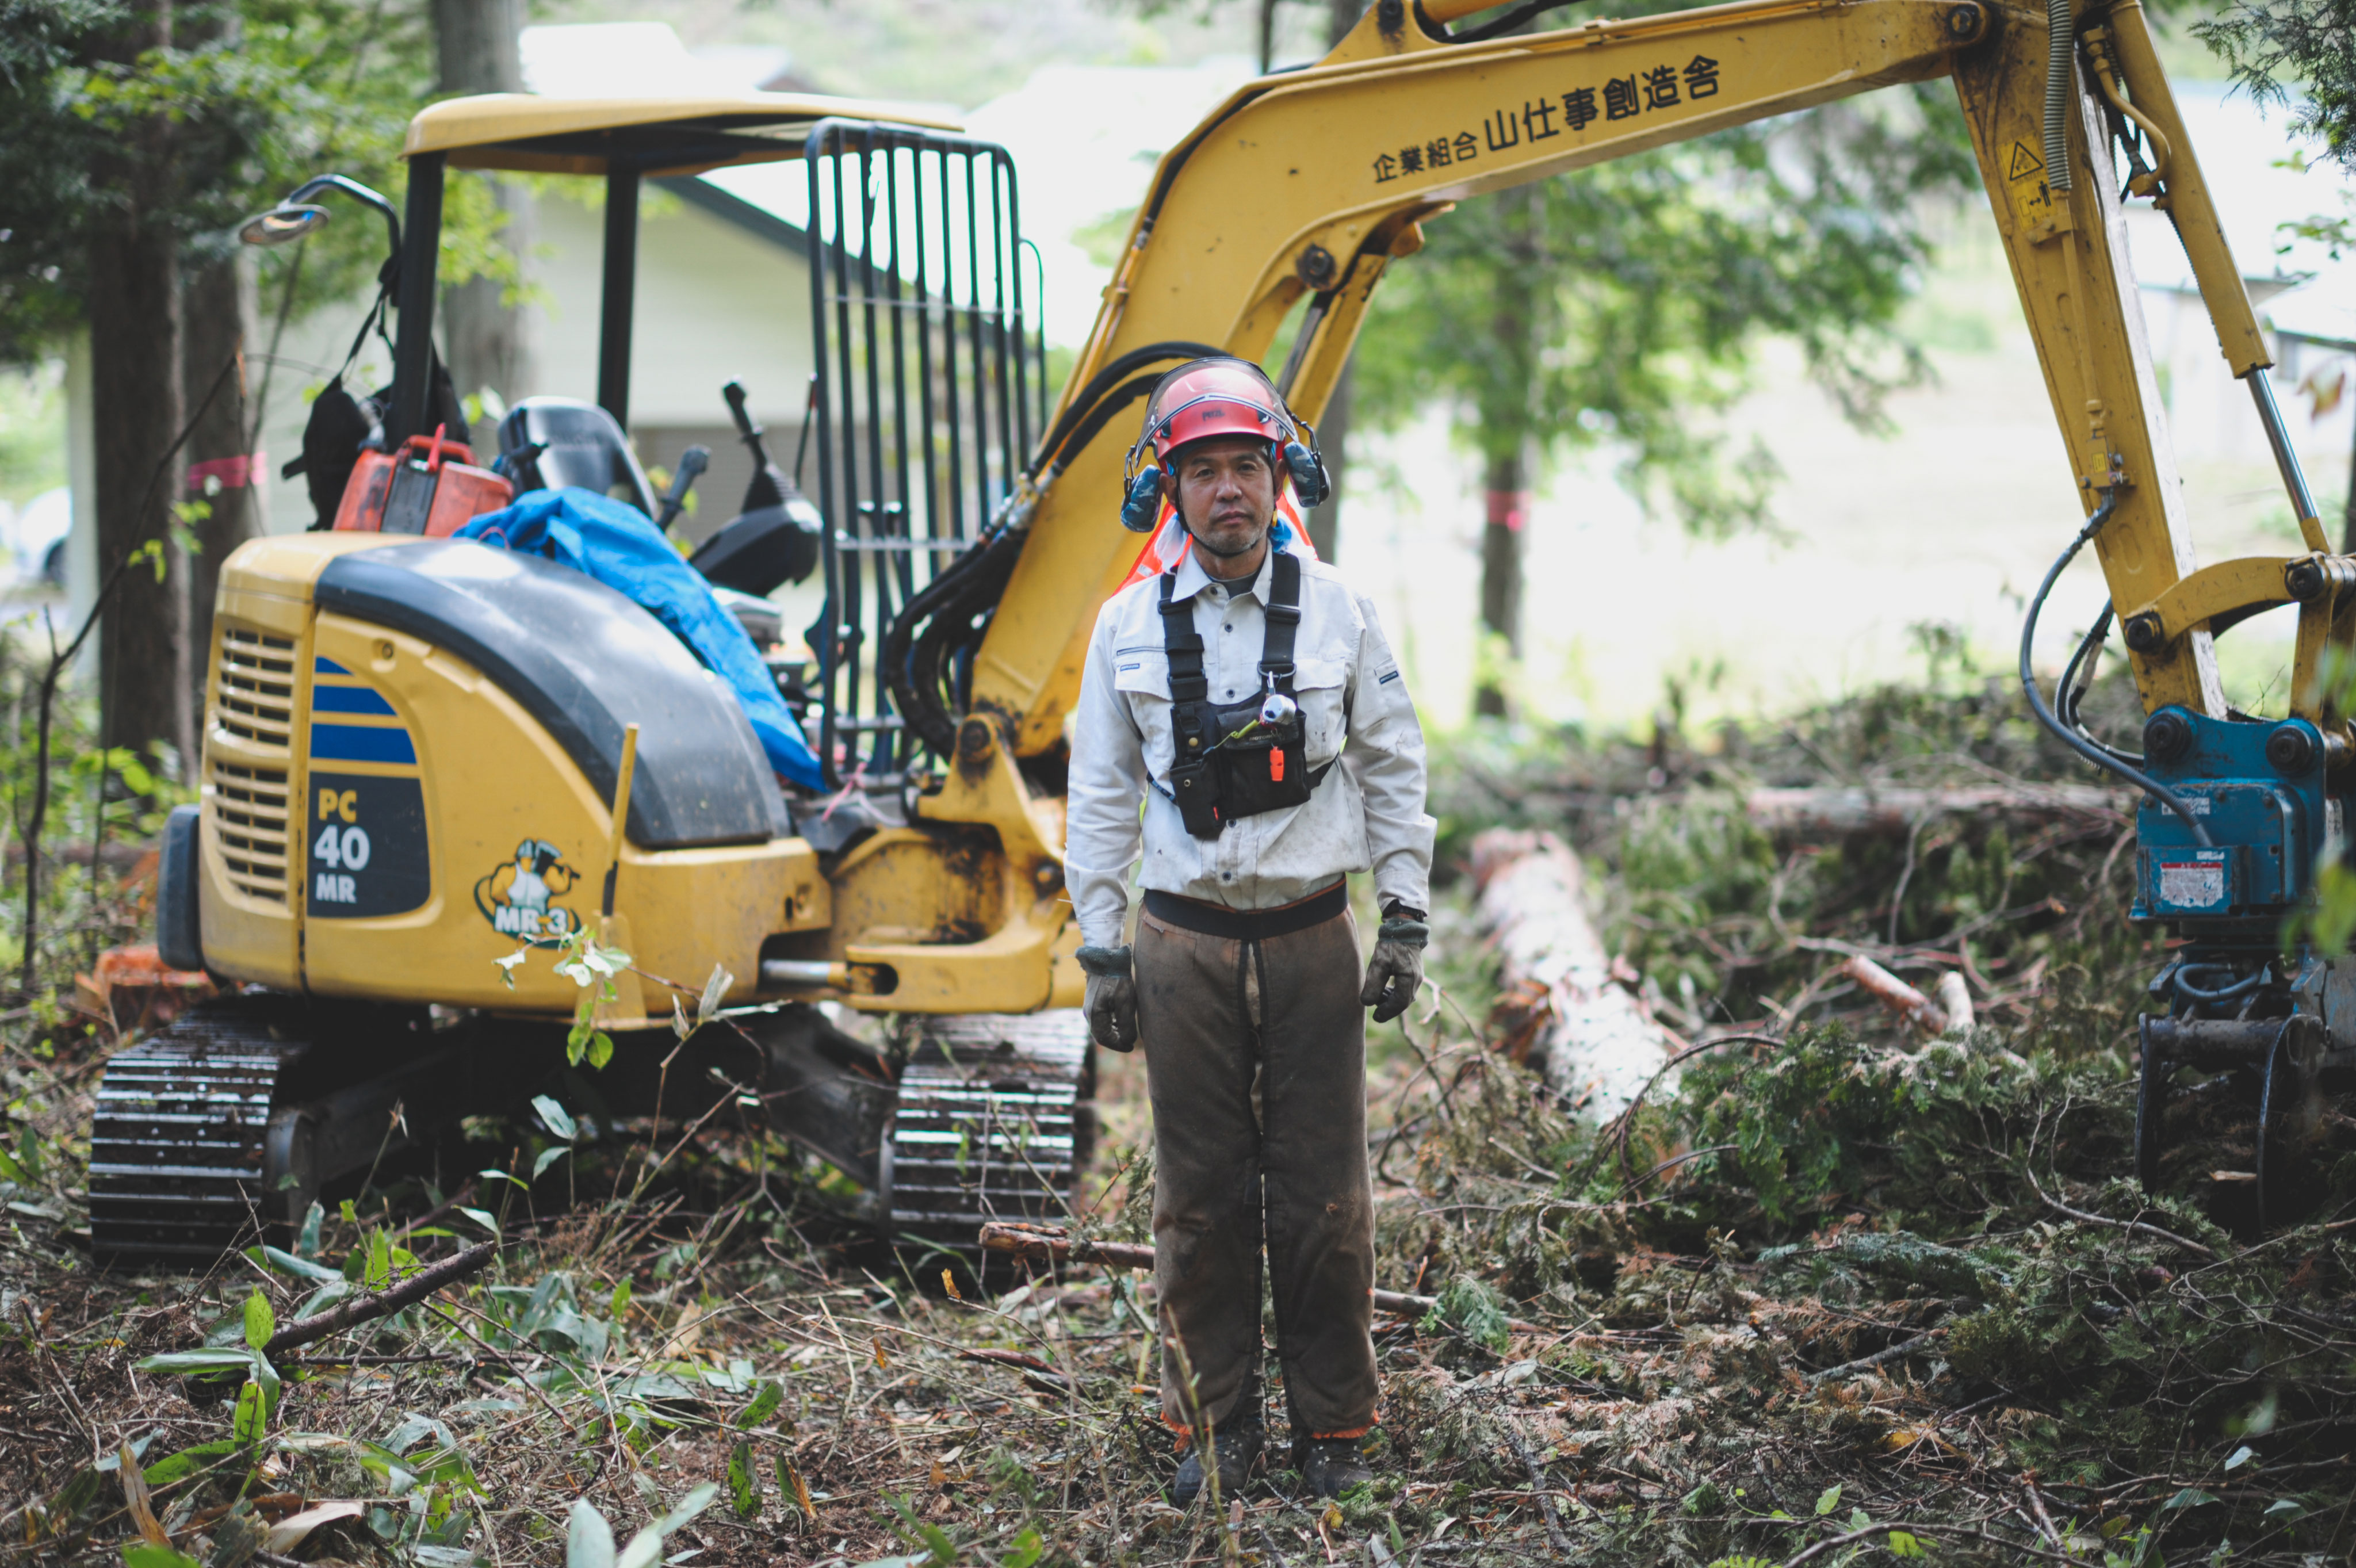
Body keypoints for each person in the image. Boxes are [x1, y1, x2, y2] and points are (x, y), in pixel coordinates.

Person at [1063, 356, 1435, 1504]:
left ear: (1282, 476)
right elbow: (1099, 793)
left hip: (1314, 937)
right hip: (1180, 947)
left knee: (1326, 1193)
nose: (1228, 489)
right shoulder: (1123, 624)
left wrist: (1406, 913)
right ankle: (1211, 1429)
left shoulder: (1344, 609)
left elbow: (1391, 763)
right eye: (1203, 470)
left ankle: (1337, 1429)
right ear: (1165, 490)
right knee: (1196, 1195)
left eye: (1246, 466)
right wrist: (1099, 944)